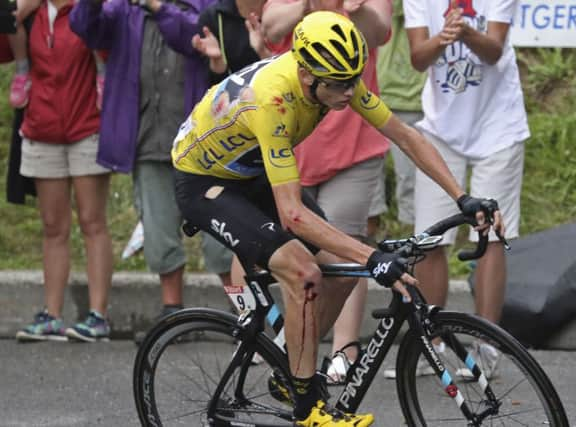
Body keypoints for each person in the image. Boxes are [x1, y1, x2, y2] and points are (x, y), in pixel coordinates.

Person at [172, 11, 503, 425]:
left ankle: (294, 371)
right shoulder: (274, 99)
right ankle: (307, 403)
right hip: (204, 182)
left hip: (249, 170)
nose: (350, 92)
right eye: (340, 84)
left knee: (345, 273)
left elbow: (406, 136)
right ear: (308, 76)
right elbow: (293, 215)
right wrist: (372, 255)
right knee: (304, 272)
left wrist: (462, 197)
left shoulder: (336, 77)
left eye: (354, 79)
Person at [261, 0, 392, 384]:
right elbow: (271, 30)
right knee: (301, 256)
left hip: (353, 142)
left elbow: (379, 31)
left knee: (345, 248)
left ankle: (344, 348)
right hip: (293, 139)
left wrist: (358, 8)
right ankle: (297, 354)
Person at [403, 0, 529, 378]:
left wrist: (467, 32)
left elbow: (493, 50)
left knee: (490, 233)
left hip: (498, 127)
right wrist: (444, 36)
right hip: (441, 131)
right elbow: (418, 58)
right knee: (430, 236)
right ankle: (433, 345)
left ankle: (488, 347)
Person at [70, 0, 213, 324]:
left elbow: (195, 35)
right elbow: (88, 29)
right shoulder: (124, 8)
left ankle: (245, 318)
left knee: (221, 241)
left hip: (203, 142)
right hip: (149, 137)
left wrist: (158, 7)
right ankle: (172, 313)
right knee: (160, 233)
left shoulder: (205, 5)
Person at [14, 0, 112, 343]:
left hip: (87, 127)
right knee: (53, 227)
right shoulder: (33, 12)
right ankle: (51, 315)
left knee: (92, 221)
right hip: (41, 129)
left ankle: (98, 315)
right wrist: (20, 11)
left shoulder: (86, 10)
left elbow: (109, 40)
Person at [190, 0, 271, 287]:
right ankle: (247, 321)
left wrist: (263, 51)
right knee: (229, 250)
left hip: (272, 136)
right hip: (227, 144)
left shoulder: (280, 12)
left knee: (272, 242)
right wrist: (217, 63)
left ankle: (271, 323)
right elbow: (214, 94)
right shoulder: (214, 16)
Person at [369, 0, 425, 238]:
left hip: (411, 99)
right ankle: (362, 262)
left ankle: (414, 257)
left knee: (412, 189)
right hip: (366, 98)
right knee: (366, 194)